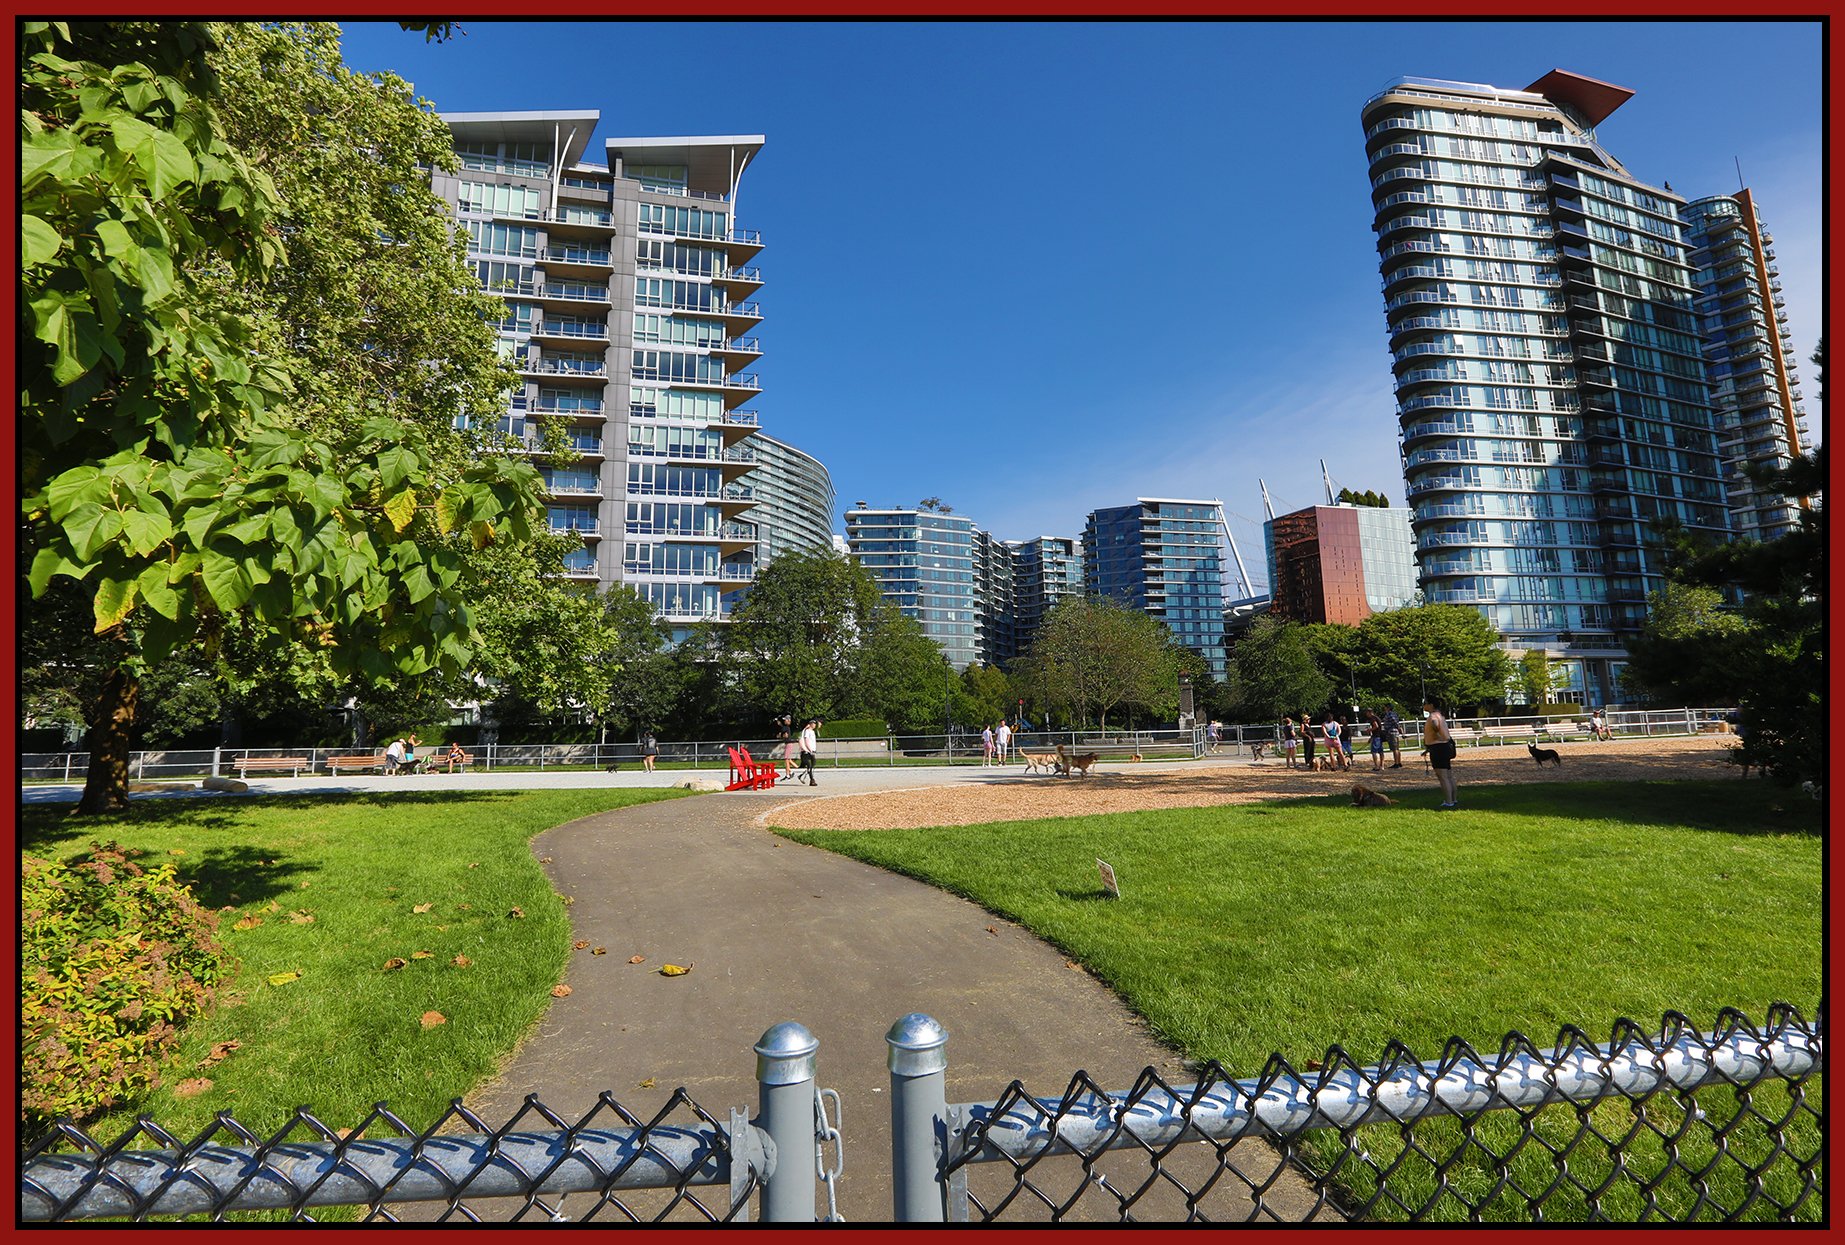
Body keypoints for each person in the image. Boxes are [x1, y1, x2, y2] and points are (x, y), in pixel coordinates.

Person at [1423, 699, 1458, 808]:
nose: (1424, 705)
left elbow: (1435, 724)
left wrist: (1436, 734)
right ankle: (1453, 799)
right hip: (1445, 746)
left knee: (1442, 776)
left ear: (1431, 705)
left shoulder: (1433, 716)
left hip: (1438, 747)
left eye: (1425, 703)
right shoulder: (1440, 715)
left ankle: (1448, 802)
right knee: (1448, 775)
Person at [798, 718, 820, 786]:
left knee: (813, 765)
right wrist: (810, 749)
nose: (814, 725)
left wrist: (813, 749)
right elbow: (807, 741)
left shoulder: (812, 732)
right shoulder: (807, 731)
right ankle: (812, 780)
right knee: (809, 765)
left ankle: (802, 775)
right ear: (810, 724)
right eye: (813, 724)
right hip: (806, 751)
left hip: (811, 751)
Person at [775, 713, 796, 778]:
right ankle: (795, 769)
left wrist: (780, 735)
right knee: (788, 759)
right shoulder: (786, 727)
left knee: (786, 759)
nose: (784, 721)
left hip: (788, 744)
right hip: (788, 744)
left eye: (785, 720)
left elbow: (785, 735)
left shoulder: (785, 728)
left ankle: (788, 774)